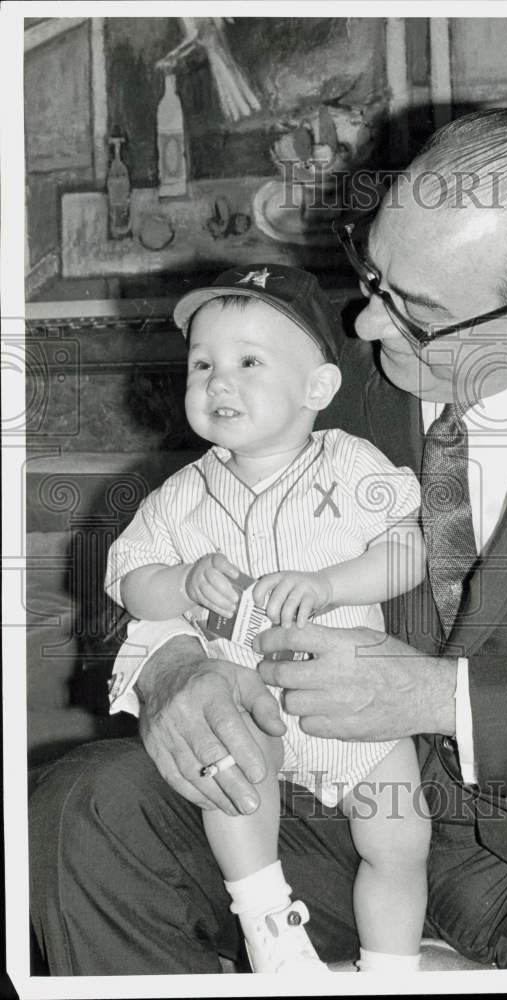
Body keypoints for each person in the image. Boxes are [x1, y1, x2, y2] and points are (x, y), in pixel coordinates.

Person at [29, 108, 507, 973]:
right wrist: (171, 674)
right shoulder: (306, 375)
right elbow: (164, 550)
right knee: (83, 805)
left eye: (415, 310)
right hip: (336, 809)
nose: (367, 327)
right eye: (371, 270)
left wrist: (434, 696)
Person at [103, 264, 430, 973]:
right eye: (202, 363)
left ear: (316, 388)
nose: (219, 381)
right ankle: (270, 929)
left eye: (248, 361)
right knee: (230, 775)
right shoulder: (179, 497)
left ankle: (392, 966)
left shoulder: (350, 464)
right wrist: (181, 581)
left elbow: (407, 553)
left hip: (354, 707)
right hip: (251, 707)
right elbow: (133, 587)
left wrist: (327, 582)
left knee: (401, 835)